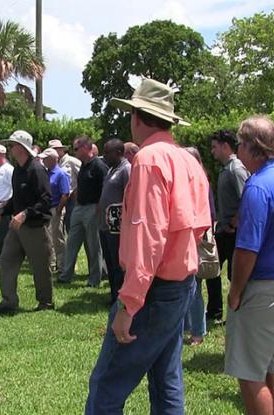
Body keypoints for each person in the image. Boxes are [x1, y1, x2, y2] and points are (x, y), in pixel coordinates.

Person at [85, 78, 210, 414]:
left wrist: (129, 304)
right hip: (181, 284)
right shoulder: (188, 160)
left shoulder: (150, 159)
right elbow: (199, 225)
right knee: (166, 381)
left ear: (137, 116)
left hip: (153, 290)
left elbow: (148, 236)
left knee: (107, 386)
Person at [224, 116, 274, 415]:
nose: (238, 149)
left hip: (266, 291)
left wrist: (235, 291)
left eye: (240, 144)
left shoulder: (258, 187)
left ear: (251, 147)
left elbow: (247, 250)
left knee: (249, 374)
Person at [0, 130, 53, 314]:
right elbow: (16, 199)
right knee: (6, 260)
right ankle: (8, 301)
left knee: (40, 266)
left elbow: (46, 200)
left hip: (34, 227)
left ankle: (45, 302)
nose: (10, 148)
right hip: (17, 227)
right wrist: (0, 212)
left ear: (22, 148)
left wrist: (26, 213)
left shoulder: (37, 170)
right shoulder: (18, 170)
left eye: (13, 145)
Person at [208, 129, 250, 321]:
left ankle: (238, 313)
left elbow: (248, 200)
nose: (212, 151)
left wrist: (234, 224)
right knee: (212, 270)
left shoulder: (236, 169)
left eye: (215, 147)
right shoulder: (226, 168)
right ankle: (215, 312)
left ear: (226, 146)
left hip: (233, 233)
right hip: (223, 231)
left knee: (234, 276)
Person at [57, 135, 108, 288]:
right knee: (72, 242)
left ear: (86, 148)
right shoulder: (84, 165)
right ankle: (66, 275)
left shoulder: (99, 165)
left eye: (76, 149)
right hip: (79, 207)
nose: (75, 152)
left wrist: (99, 207)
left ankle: (94, 279)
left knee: (94, 245)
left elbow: (106, 187)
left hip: (93, 208)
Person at [183, 147, 217, 347]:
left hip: (195, 242)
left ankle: (197, 331)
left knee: (194, 289)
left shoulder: (200, 183)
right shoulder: (195, 182)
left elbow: (208, 217)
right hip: (189, 242)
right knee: (190, 287)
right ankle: (190, 327)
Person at [98, 138, 130, 304]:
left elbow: (130, 197)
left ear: (118, 152)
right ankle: (113, 295)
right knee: (109, 262)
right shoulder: (111, 169)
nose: (104, 156)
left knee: (118, 264)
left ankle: (119, 298)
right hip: (106, 225)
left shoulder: (126, 169)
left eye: (107, 152)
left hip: (117, 227)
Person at [38, 148, 70, 275]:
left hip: (56, 208)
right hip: (46, 209)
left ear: (52, 159)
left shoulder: (61, 174)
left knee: (57, 238)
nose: (43, 161)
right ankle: (50, 264)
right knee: (47, 238)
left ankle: (62, 265)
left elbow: (65, 194)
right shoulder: (46, 173)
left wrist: (58, 210)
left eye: (45, 159)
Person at [49, 139, 81, 232]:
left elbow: (83, 176)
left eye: (55, 149)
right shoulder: (55, 164)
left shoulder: (72, 161)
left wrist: (77, 191)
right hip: (60, 200)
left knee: (71, 226)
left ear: (61, 150)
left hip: (72, 199)